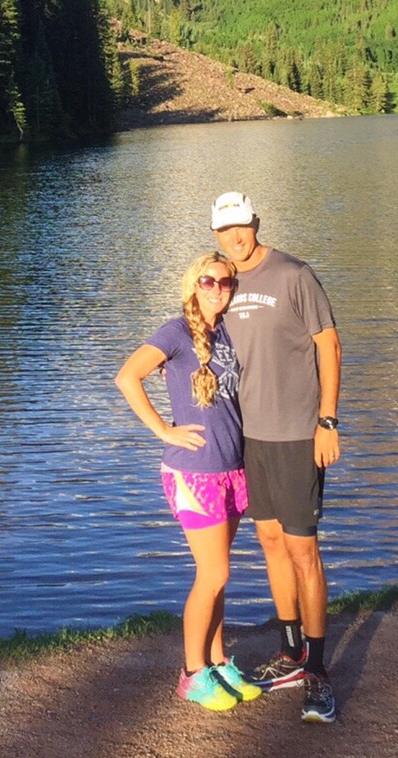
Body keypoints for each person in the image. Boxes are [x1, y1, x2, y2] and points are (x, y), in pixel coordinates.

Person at [211, 190, 341, 725]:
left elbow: (329, 344)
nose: (234, 238)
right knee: (269, 542)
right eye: (224, 231)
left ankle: (318, 671)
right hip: (250, 438)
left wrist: (327, 421)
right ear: (215, 235)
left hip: (295, 435)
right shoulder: (222, 284)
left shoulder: (293, 274)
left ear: (256, 223)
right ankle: (290, 653)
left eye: (240, 227)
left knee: (302, 549)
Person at [114, 251, 263, 713]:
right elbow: (127, 376)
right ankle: (193, 674)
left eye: (226, 282)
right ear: (193, 285)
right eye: (208, 281)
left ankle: (217, 663)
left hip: (231, 468)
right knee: (213, 573)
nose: (218, 289)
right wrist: (163, 430)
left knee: (219, 575)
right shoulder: (176, 331)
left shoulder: (227, 332)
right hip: (194, 473)